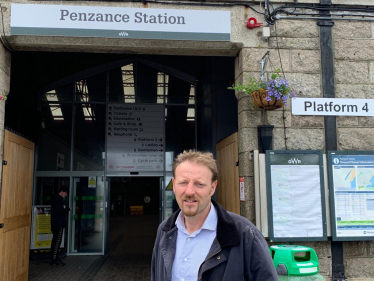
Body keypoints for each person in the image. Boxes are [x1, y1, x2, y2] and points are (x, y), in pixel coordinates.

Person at [151, 150, 278, 281]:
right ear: (174, 185)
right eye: (183, 182)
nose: (189, 191)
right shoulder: (164, 230)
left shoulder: (244, 233)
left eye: (199, 184)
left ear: (212, 188)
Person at [50, 186, 71, 266]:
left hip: (56, 224)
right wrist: (67, 209)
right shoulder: (58, 200)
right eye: (65, 193)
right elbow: (59, 212)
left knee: (55, 242)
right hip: (58, 224)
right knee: (56, 242)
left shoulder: (56, 199)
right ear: (62, 191)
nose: (65, 195)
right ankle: (54, 259)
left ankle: (54, 257)